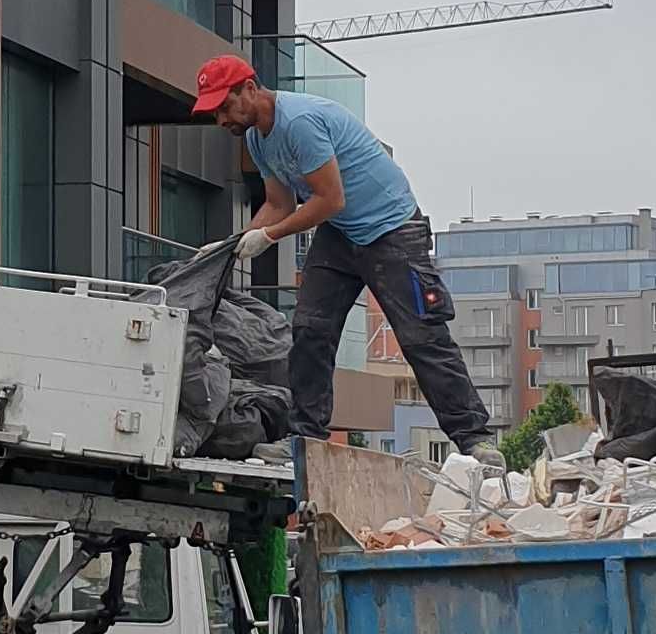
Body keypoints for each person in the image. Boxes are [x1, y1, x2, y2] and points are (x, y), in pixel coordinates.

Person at [191, 55, 492, 451]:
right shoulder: (255, 138)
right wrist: (231, 246)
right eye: (214, 113)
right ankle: (304, 439)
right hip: (342, 231)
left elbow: (330, 199)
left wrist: (269, 236)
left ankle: (475, 440)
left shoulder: (299, 122)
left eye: (225, 107)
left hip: (392, 229)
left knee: (422, 337)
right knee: (311, 331)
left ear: (249, 89)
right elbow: (278, 205)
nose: (221, 120)